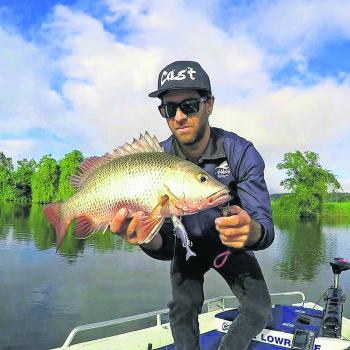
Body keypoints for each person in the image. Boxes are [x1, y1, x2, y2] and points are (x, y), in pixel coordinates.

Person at [110, 61, 275, 350]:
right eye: (168, 109)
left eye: (188, 105)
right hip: (186, 245)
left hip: (230, 247)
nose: (179, 116)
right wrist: (144, 239)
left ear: (209, 104)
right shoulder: (155, 160)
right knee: (182, 310)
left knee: (259, 310)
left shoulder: (241, 153)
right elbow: (163, 246)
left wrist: (252, 233)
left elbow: (265, 226)